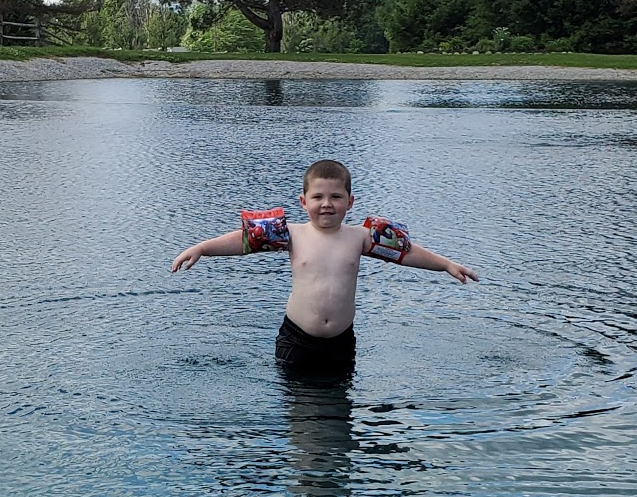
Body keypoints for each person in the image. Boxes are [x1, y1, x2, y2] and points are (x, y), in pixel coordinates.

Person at [170, 158, 478, 377]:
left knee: (338, 406)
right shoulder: (291, 233)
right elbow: (244, 242)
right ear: (303, 202)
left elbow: (406, 253)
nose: (326, 203)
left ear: (350, 202)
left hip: (341, 341)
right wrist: (202, 249)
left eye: (335, 197)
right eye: (318, 197)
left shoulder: (360, 237)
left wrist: (446, 265)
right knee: (297, 404)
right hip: (297, 338)